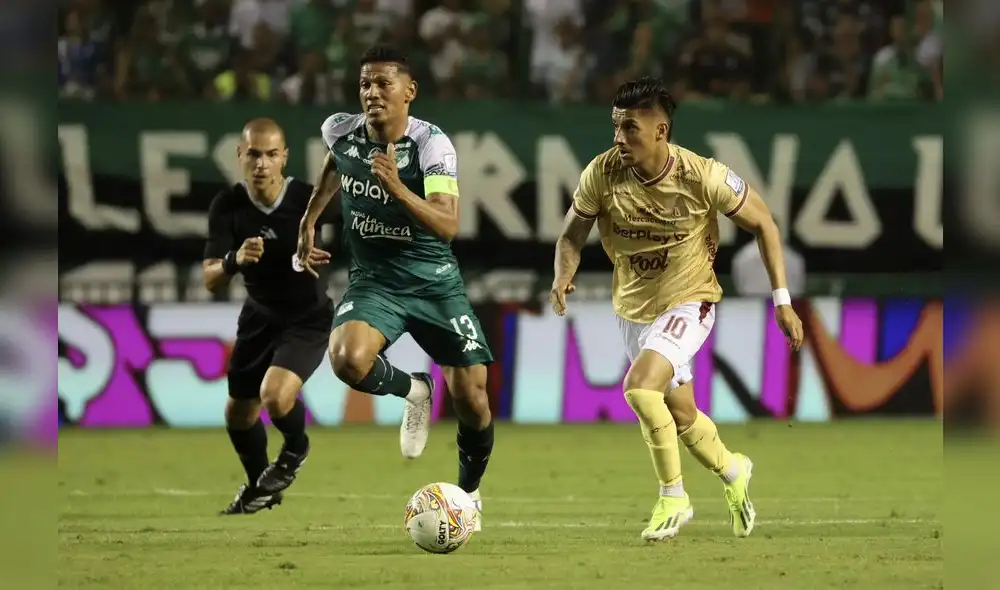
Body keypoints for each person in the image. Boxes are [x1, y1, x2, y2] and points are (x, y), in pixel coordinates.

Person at [551, 77, 804, 541]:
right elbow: (571, 235)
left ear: (661, 131)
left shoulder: (702, 176)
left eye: (630, 128)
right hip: (633, 309)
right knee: (682, 415)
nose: (619, 138)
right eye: (615, 127)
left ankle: (673, 497)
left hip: (691, 300)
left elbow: (765, 223)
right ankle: (734, 472)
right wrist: (563, 273)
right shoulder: (601, 173)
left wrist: (782, 302)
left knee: (640, 389)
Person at [292, 44, 494, 530]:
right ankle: (415, 390)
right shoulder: (340, 130)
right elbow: (335, 165)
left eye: (384, 84)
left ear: (410, 92)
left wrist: (398, 188)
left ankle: (468, 495)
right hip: (375, 282)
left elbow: (447, 225)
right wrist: (309, 219)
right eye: (365, 84)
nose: (373, 93)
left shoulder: (431, 146)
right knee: (346, 359)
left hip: (434, 283)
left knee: (472, 397)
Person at [203, 118, 334, 515]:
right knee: (238, 414)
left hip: (307, 318)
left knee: (275, 396)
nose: (262, 163)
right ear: (240, 155)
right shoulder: (228, 205)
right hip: (259, 317)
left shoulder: (307, 200)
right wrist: (234, 259)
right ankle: (260, 488)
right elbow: (210, 278)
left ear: (284, 158)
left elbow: (354, 238)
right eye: (254, 154)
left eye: (271, 155)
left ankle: (296, 447)